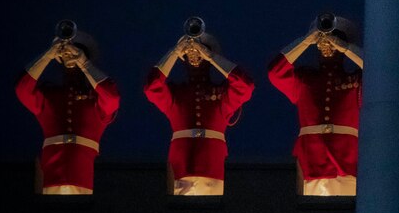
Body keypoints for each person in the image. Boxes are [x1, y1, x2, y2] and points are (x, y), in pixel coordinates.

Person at [144, 18, 254, 196]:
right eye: (189, 54)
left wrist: (211, 56)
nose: (195, 56)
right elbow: (152, 87)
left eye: (199, 53)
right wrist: (175, 52)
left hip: (213, 164)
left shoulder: (220, 93)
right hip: (182, 164)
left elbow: (246, 86)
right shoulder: (176, 93)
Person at [15, 21, 120, 194]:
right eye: (65, 53)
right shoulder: (50, 94)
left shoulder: (95, 98)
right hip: (51, 175)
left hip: (85, 177)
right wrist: (48, 55)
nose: (69, 55)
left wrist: (84, 63)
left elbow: (113, 97)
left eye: (75, 51)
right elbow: (22, 89)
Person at [269, 14, 364, 196]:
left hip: (345, 162)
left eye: (334, 40)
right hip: (310, 161)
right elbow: (275, 72)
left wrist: (347, 49)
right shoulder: (306, 78)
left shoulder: (355, 78)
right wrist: (305, 41)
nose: (327, 45)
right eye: (322, 41)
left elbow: (380, 70)